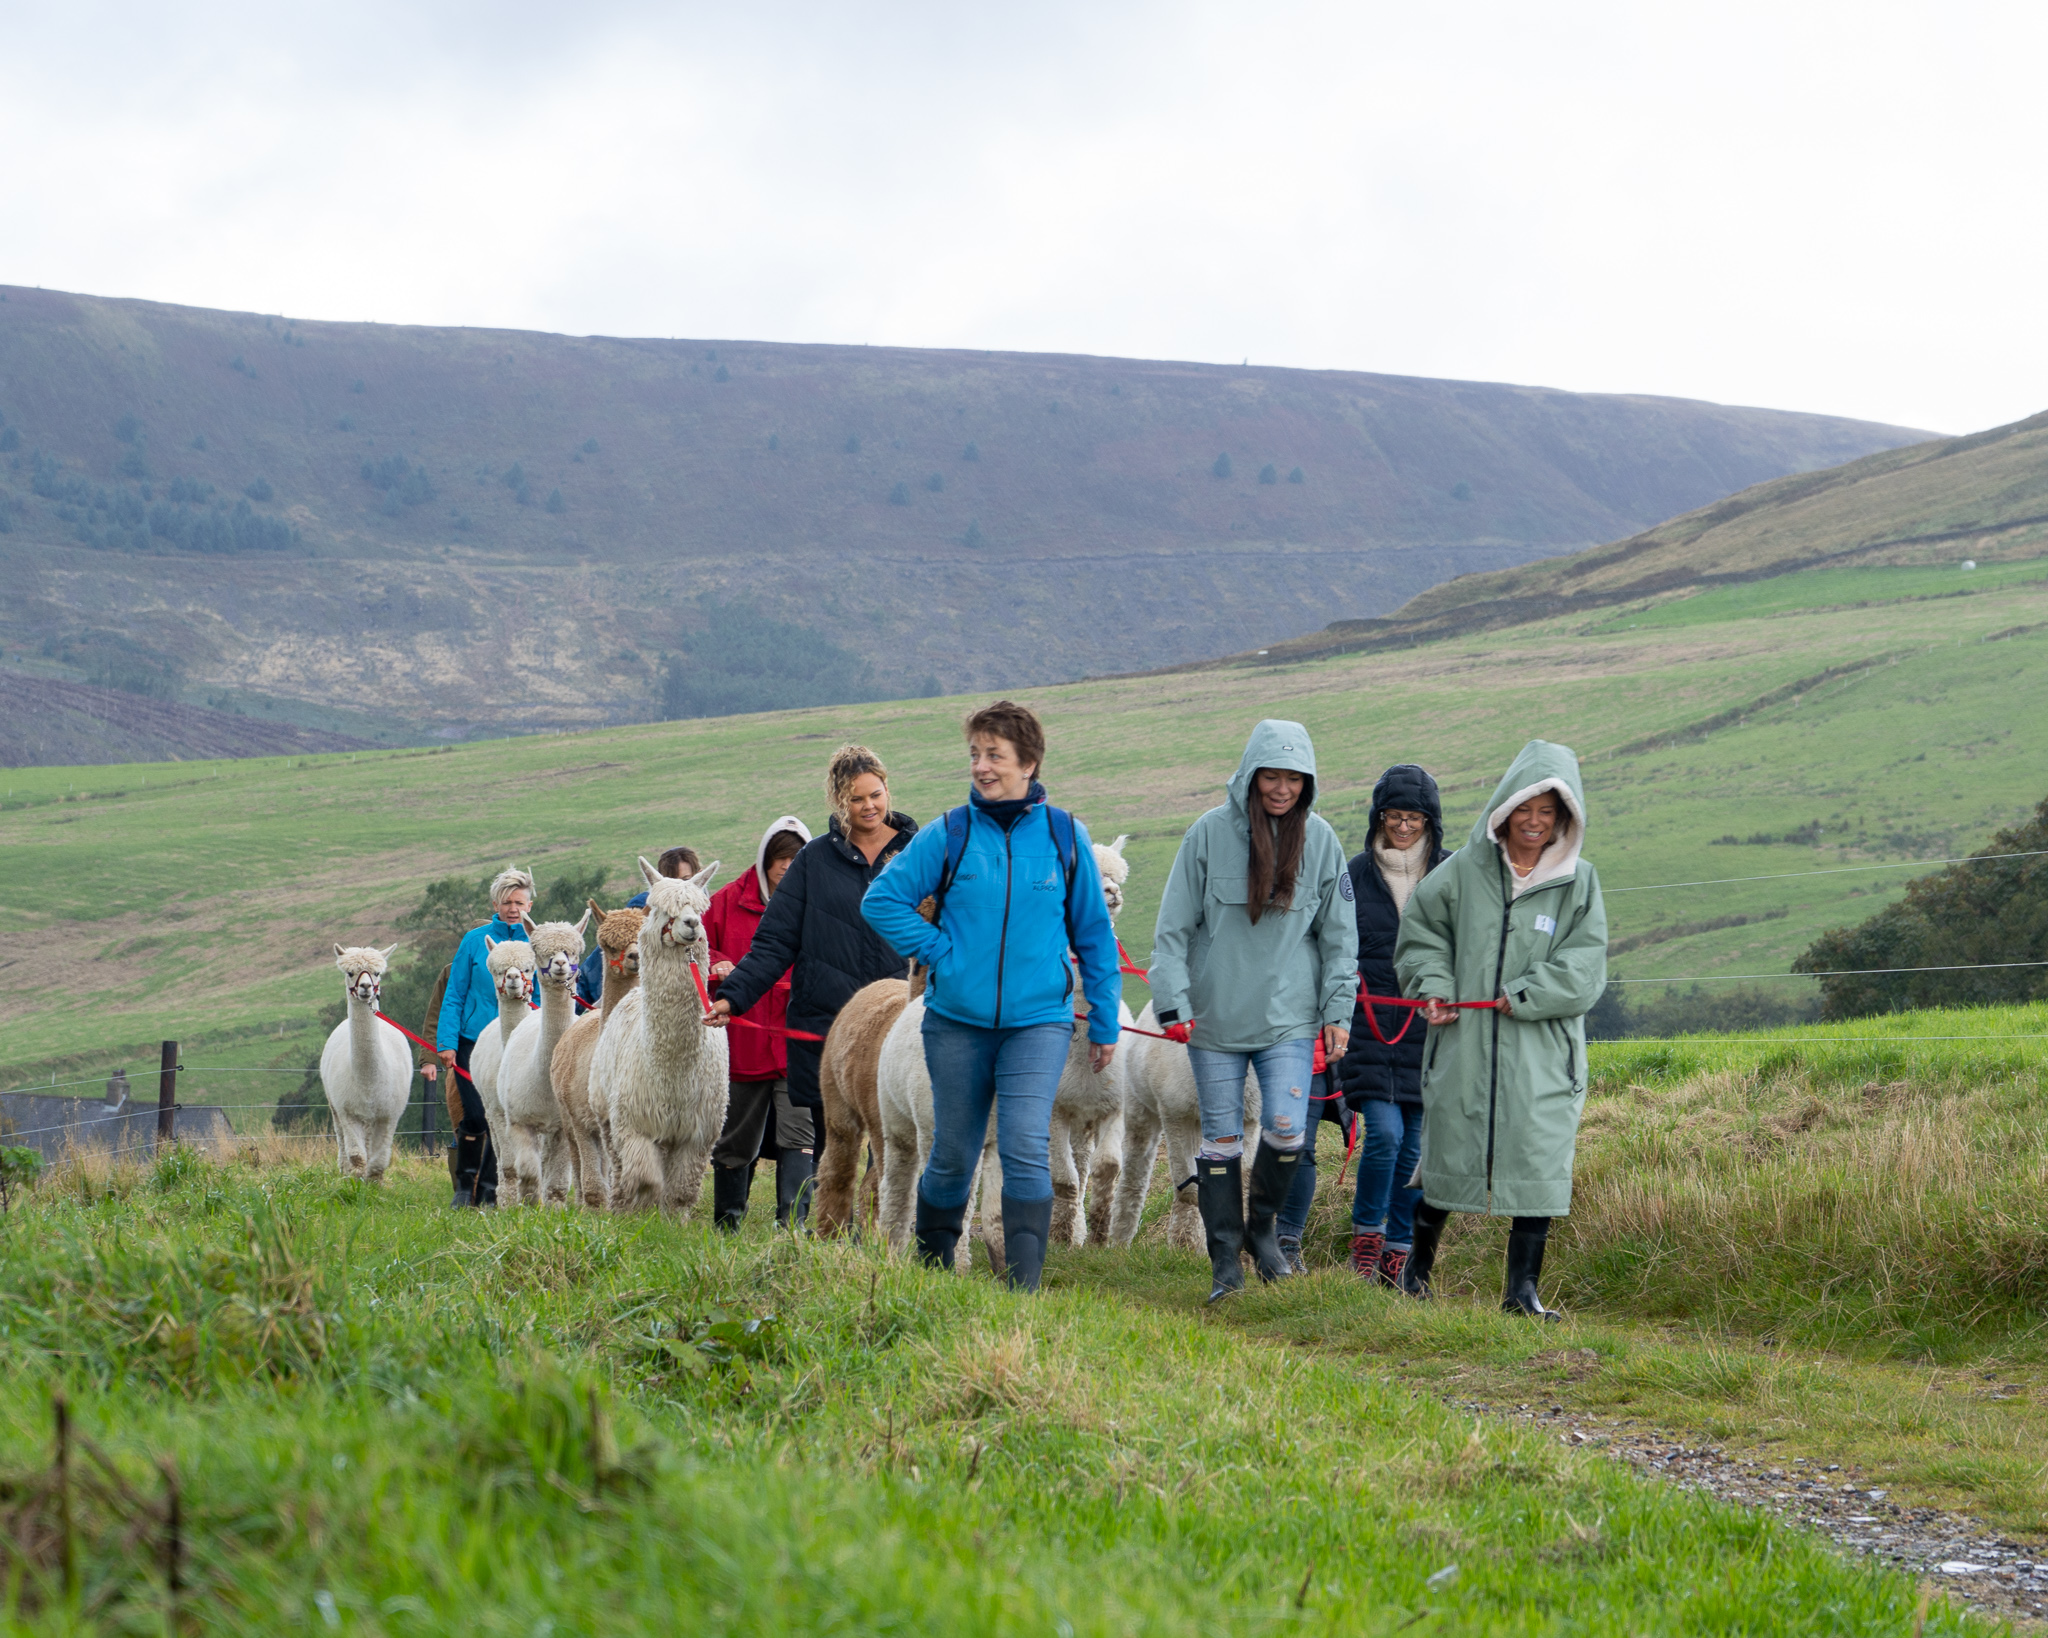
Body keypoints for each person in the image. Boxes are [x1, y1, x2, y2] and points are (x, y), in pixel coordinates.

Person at [861, 700, 1122, 1294]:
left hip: (1039, 1023)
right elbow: (881, 901)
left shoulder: (1064, 836)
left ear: (1028, 762)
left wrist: (1105, 1018)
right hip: (955, 1022)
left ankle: (1022, 1294)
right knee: (952, 1154)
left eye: (994, 755)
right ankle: (935, 1278)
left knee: (1028, 1145)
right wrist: (941, 951)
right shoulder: (949, 833)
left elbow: (1094, 937)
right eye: (975, 754)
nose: (981, 766)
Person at [1394, 740, 1608, 1320]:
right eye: (1525, 809)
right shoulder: (1460, 872)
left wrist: (1524, 995)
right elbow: (1420, 939)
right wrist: (1432, 987)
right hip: (1462, 1046)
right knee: (1445, 1160)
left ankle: (1521, 1294)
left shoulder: (1579, 883)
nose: (1534, 823)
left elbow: (1585, 968)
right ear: (1505, 809)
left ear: (1565, 818)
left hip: (1542, 1055)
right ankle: (1415, 1273)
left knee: (1537, 1163)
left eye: (1548, 812)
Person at [1148, 720, 1357, 1302]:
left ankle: (1261, 1232)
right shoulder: (1206, 835)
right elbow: (1171, 929)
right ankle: (1224, 1267)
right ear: (1251, 774)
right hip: (1213, 1020)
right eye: (1272, 774)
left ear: (1307, 782)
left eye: (1294, 777)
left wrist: (1339, 1011)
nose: (1282, 787)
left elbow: (1341, 938)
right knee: (1220, 1140)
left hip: (1289, 1019)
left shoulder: (1323, 842)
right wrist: (1172, 1003)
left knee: (1288, 1132)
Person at [711, 748, 917, 1167]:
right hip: (829, 1025)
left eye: (875, 794)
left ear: (887, 790)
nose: (869, 806)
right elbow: (774, 942)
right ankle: (834, 1230)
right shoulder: (813, 861)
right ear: (839, 802)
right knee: (835, 1150)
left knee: (896, 1147)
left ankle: (886, 1230)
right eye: (856, 799)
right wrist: (733, 998)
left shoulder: (921, 854)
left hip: (901, 1023)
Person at [1335, 764, 1447, 1289]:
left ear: (1431, 821)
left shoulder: (1449, 876)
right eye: (1394, 816)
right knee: (1382, 1134)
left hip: (1430, 1030)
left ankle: (1400, 1254)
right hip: (1367, 1027)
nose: (1404, 827)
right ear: (1379, 817)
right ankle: (1367, 1241)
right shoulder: (1352, 875)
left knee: (1416, 1147)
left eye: (1414, 818)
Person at [706, 816, 814, 1233]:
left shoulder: (816, 902)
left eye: (796, 856)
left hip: (796, 1044)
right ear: (764, 858)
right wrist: (718, 964)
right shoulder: (727, 901)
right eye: (780, 856)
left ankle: (793, 1228)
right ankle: (726, 1224)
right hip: (742, 1044)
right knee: (735, 1137)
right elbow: (701, 945)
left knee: (799, 1135)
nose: (788, 865)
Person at [435, 866, 534, 1207]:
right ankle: (464, 1186)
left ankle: (492, 1188)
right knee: (476, 1116)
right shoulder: (474, 941)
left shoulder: (534, 942)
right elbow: (455, 992)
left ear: (529, 905)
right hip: (473, 1041)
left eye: (519, 902)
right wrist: (446, 1042)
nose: (512, 908)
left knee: (503, 1116)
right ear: (495, 903)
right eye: (507, 901)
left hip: (518, 1041)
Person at [575, 846, 701, 1009]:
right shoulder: (643, 907)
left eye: (685, 881)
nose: (678, 890)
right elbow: (607, 957)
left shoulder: (702, 910)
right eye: (670, 882)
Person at [1272, 1036, 1353, 1275]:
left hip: (1310, 1055)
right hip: (1248, 1046)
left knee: (1301, 1147)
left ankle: (1287, 1242)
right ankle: (1232, 1242)